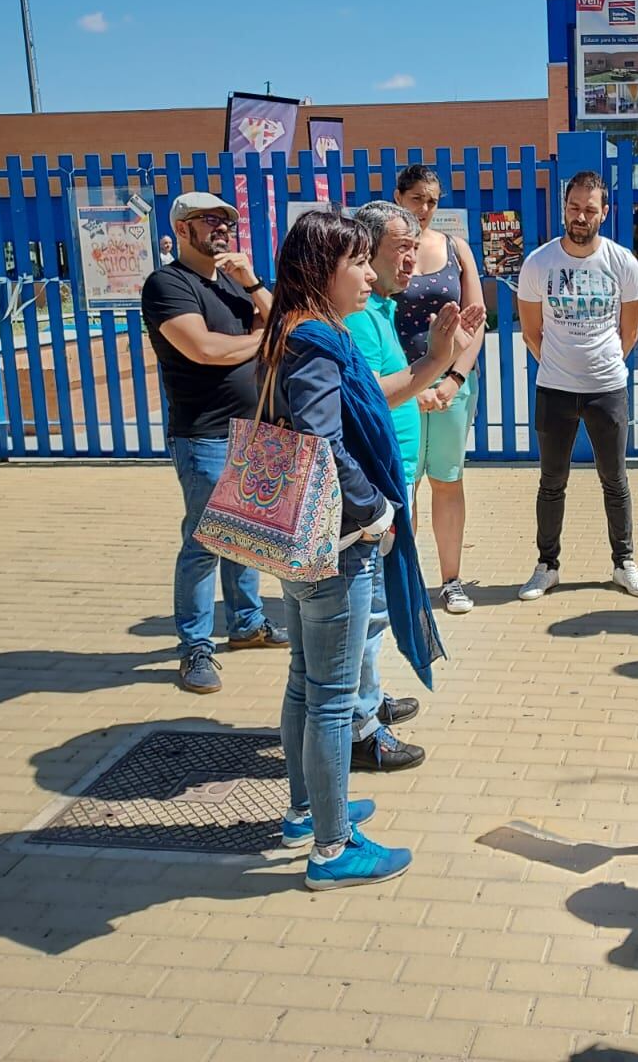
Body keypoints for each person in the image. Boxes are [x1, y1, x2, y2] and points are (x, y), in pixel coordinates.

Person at [257, 211, 447, 890]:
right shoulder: (312, 340)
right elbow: (320, 441)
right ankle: (332, 851)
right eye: (358, 264)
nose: (370, 274)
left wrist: (433, 361)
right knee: (332, 699)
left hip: (303, 541)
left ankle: (307, 815)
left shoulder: (293, 329)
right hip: (335, 544)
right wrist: (375, 512)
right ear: (321, 271)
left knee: (307, 686)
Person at [343, 201, 484, 772]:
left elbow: (390, 388)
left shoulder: (378, 308)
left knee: (374, 605)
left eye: (414, 244)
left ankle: (368, 700)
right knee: (365, 610)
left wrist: (433, 372)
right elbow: (368, 393)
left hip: (387, 477)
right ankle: (358, 726)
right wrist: (433, 364)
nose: (413, 255)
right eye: (401, 245)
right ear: (366, 250)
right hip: (369, 487)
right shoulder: (354, 315)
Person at [140, 192, 288, 695]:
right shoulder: (167, 284)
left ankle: (246, 625)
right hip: (203, 433)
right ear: (182, 229)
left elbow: (277, 318)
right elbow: (204, 349)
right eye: (210, 221)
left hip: (251, 431)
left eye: (228, 220)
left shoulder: (231, 283)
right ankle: (195, 647)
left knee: (243, 536)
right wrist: (263, 341)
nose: (222, 229)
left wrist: (251, 281)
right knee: (204, 544)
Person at [516, 170, 638, 601]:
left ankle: (624, 563)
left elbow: (629, 333)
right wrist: (561, 367)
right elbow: (531, 332)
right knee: (551, 481)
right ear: (565, 209)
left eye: (589, 209)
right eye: (574, 207)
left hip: (607, 389)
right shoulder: (539, 263)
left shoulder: (623, 263)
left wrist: (600, 367)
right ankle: (546, 565)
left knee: (615, 479)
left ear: (604, 213)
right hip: (554, 390)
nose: (580, 216)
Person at [392, 165, 486, 615]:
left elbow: (477, 319)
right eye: (416, 199)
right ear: (399, 197)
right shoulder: (383, 252)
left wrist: (453, 380)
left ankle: (451, 581)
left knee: (446, 481)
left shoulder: (456, 248)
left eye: (432, 200)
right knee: (400, 484)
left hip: (450, 389)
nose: (426, 209)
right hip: (400, 386)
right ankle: (405, 583)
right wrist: (414, 386)